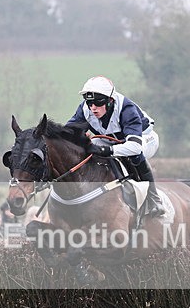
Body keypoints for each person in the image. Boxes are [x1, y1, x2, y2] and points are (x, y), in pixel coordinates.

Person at [67, 76, 164, 217]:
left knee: (133, 155)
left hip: (143, 138)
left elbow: (135, 146)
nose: (93, 108)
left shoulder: (127, 109)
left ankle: (154, 198)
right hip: (111, 140)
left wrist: (107, 150)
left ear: (110, 101)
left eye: (98, 102)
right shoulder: (85, 109)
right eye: (89, 102)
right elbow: (68, 133)